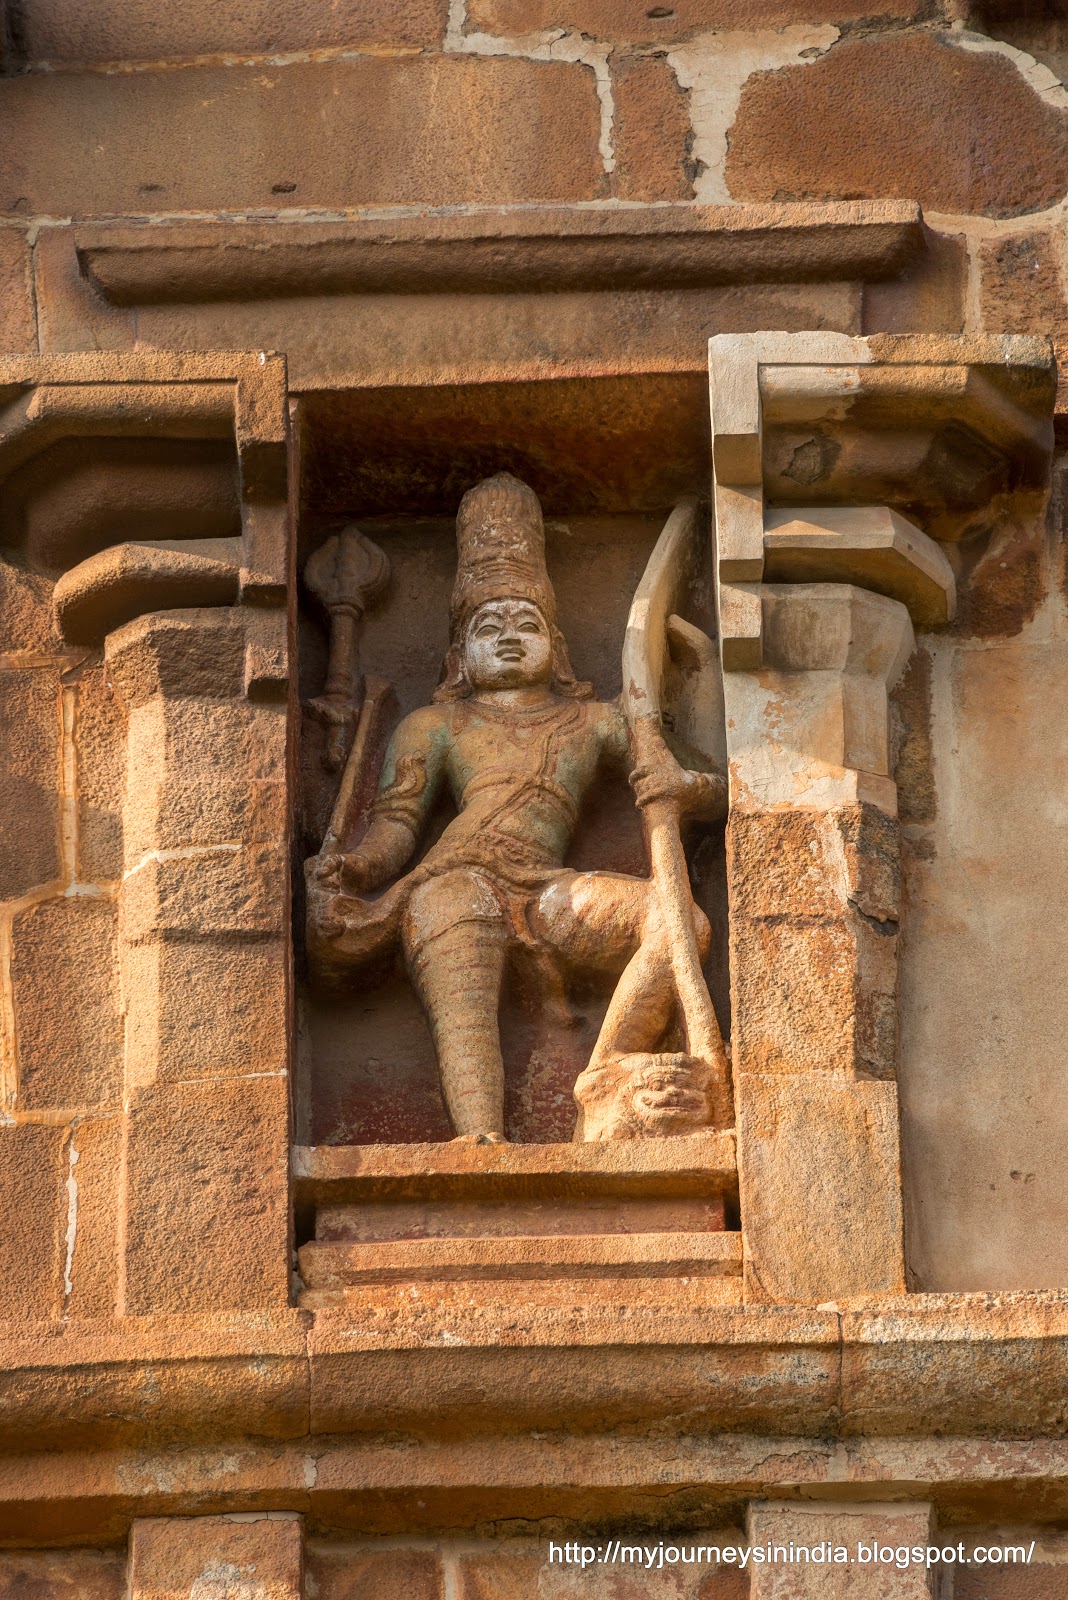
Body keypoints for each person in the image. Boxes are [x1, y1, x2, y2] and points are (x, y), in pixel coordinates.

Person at [307, 473, 726, 1140]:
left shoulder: (597, 721)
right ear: (457, 656)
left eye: (526, 624)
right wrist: (356, 869)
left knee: (680, 925)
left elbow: (701, 781)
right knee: (459, 950)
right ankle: (479, 1136)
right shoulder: (435, 726)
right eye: (487, 626)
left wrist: (687, 756)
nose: (507, 636)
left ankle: (607, 1073)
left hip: (548, 888)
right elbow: (397, 825)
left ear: (557, 649)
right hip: (456, 877)